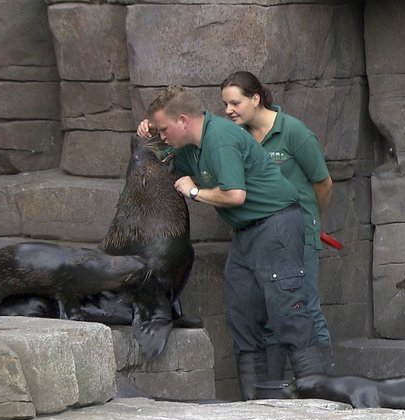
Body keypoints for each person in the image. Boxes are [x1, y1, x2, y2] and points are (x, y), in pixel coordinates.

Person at [139, 72, 336, 379]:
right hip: (247, 234)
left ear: (183, 120)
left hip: (277, 224)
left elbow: (235, 195)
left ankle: (318, 389)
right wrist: (149, 131)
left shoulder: (220, 140)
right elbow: (157, 154)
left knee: (288, 309)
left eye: (165, 129)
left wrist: (194, 191)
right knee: (242, 312)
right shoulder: (191, 146)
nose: (163, 136)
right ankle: (259, 396)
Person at [219, 71, 335, 378]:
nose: (229, 110)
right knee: (272, 313)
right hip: (260, 238)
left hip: (298, 233)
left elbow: (323, 183)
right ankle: (277, 391)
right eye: (225, 104)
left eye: (235, 102)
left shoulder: (293, 132)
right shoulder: (238, 137)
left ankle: (326, 386)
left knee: (305, 307)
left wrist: (310, 224)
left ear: (255, 99)